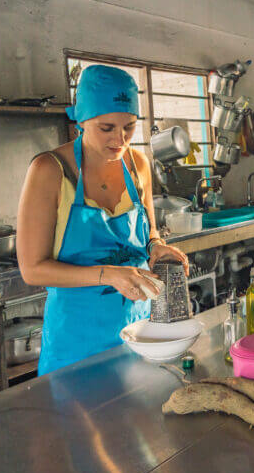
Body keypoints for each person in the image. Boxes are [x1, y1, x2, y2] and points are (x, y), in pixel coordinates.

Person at [17, 65, 189, 375]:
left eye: (129, 127)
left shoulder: (138, 166)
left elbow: (149, 232)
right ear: (81, 120)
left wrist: (156, 247)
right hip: (75, 344)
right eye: (106, 127)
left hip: (139, 334)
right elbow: (32, 269)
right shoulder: (50, 170)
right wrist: (109, 275)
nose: (120, 139)